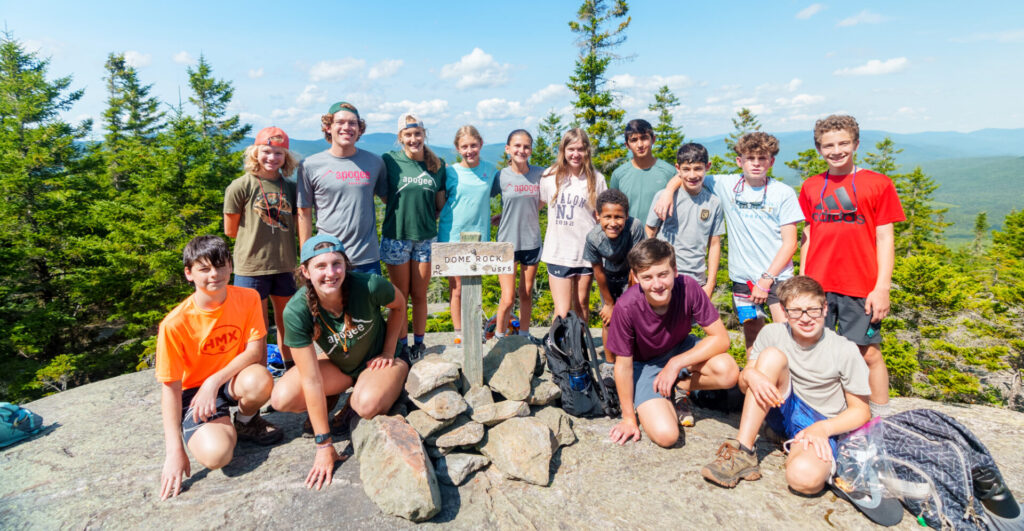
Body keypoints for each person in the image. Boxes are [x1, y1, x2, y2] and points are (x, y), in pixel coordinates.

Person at [701, 276, 871, 494]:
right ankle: (744, 450)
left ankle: (799, 449)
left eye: (813, 310)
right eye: (796, 311)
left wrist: (823, 429)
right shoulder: (772, 333)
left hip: (819, 421)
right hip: (781, 405)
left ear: (825, 308)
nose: (806, 318)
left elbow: (861, 411)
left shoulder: (845, 350)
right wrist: (750, 376)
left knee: (803, 479)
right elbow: (745, 387)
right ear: (784, 310)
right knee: (771, 356)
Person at [269, 234, 409, 490]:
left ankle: (359, 398)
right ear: (305, 271)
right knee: (282, 398)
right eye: (320, 266)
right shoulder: (296, 310)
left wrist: (389, 352)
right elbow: (310, 379)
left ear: (346, 265)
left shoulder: (369, 285)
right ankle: (332, 399)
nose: (330, 273)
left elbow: (399, 305)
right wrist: (324, 445)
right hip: (341, 367)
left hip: (376, 362)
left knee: (365, 404)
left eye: (336, 264)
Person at [156, 235, 282, 500]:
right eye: (204, 269)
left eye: (221, 265)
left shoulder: (248, 297)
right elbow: (170, 388)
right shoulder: (174, 324)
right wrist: (174, 451)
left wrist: (213, 382)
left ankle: (246, 421)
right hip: (194, 396)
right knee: (219, 456)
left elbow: (255, 351)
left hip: (230, 381)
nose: (215, 274)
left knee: (260, 379)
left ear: (231, 266)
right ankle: (222, 426)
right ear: (189, 274)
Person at [799, 115, 905, 417]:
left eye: (843, 143)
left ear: (856, 144)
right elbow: (808, 235)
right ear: (819, 148)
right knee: (813, 351)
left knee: (867, 353)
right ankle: (824, 413)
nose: (836, 150)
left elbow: (885, 238)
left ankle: (881, 421)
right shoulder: (811, 186)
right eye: (828, 145)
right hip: (818, 287)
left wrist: (882, 288)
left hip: (860, 286)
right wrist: (803, 282)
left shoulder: (878, 184)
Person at [659, 132, 803, 354]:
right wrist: (668, 192)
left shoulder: (783, 193)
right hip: (742, 279)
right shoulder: (726, 184)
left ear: (772, 161)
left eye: (762, 158)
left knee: (786, 332)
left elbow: (790, 243)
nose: (756, 164)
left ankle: (789, 386)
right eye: (750, 158)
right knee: (753, 335)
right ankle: (753, 382)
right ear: (740, 161)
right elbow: (688, 173)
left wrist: (766, 280)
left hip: (777, 278)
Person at [606, 239, 739, 447]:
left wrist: (675, 364)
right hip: (646, 365)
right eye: (647, 277)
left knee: (728, 371)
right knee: (667, 436)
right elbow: (622, 366)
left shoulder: (689, 287)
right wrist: (628, 418)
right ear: (635, 277)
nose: (657, 284)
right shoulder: (625, 307)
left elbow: (721, 339)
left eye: (663, 274)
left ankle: (677, 385)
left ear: (675, 270)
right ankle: (661, 391)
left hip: (681, 349)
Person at [224, 126, 300, 364]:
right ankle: (258, 372)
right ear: (255, 152)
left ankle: (290, 368)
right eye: (267, 151)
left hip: (285, 265)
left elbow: (298, 223)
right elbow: (231, 230)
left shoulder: (290, 187)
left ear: (286, 157)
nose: (272, 158)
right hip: (251, 267)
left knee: (287, 321)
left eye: (279, 153)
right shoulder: (240, 186)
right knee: (255, 328)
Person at [380, 113, 447, 360]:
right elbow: (385, 196)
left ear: (424, 134)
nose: (413, 139)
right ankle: (400, 345)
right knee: (399, 297)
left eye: (417, 134)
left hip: (425, 238)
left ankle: (419, 344)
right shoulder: (390, 160)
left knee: (419, 295)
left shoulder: (437, 164)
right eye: (408, 135)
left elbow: (439, 203)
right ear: (400, 137)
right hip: (396, 236)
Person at [297, 101, 387, 275]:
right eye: (340, 122)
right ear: (328, 127)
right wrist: (306, 256)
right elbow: (304, 213)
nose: (347, 127)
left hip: (367, 258)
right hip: (328, 258)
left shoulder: (375, 162)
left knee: (369, 303)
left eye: (352, 123)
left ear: (360, 129)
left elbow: (391, 200)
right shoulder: (309, 165)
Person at [540, 128, 608, 323]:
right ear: (563, 150)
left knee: (581, 306)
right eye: (571, 149)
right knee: (561, 311)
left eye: (581, 149)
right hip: (558, 251)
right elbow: (537, 203)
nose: (576, 154)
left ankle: (579, 349)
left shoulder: (597, 179)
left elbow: (601, 217)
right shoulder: (550, 176)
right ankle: (560, 352)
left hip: (585, 253)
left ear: (587, 151)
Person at [438, 125, 498, 344]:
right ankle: (459, 333)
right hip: (451, 234)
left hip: (479, 236)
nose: (469, 150)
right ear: (457, 148)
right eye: (464, 146)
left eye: (473, 145)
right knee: (457, 289)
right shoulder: (450, 172)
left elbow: (506, 194)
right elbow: (440, 200)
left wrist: (503, 215)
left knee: (474, 286)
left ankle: (473, 328)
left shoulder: (491, 171)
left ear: (480, 144)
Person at [645, 143, 724, 300]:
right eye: (686, 169)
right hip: (663, 277)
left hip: (697, 279)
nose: (692, 175)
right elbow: (649, 232)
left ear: (707, 167)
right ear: (678, 168)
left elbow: (714, 244)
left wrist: (710, 283)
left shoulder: (714, 203)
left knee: (689, 323)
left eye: (698, 168)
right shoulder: (664, 197)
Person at [491, 129, 544, 340]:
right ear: (508, 149)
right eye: (517, 146)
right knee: (507, 297)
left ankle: (524, 334)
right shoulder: (501, 176)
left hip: (531, 241)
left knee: (526, 293)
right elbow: (480, 194)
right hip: (506, 243)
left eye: (526, 146)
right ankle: (498, 336)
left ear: (531, 150)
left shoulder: (540, 173)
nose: (522, 150)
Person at [583, 188, 645, 363]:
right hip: (608, 277)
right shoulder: (594, 238)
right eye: (607, 217)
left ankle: (635, 361)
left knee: (632, 319)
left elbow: (637, 265)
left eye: (618, 217)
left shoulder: (635, 227)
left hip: (631, 274)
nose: (613, 222)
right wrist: (609, 303)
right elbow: (598, 271)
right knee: (608, 321)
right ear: (598, 216)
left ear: (626, 216)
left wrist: (628, 301)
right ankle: (610, 364)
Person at [609, 119, 678, 221]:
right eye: (634, 140)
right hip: (629, 235)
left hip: (660, 235)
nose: (640, 144)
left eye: (644, 138)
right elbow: (613, 210)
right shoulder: (618, 175)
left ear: (653, 140)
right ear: (627, 145)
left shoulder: (670, 172)